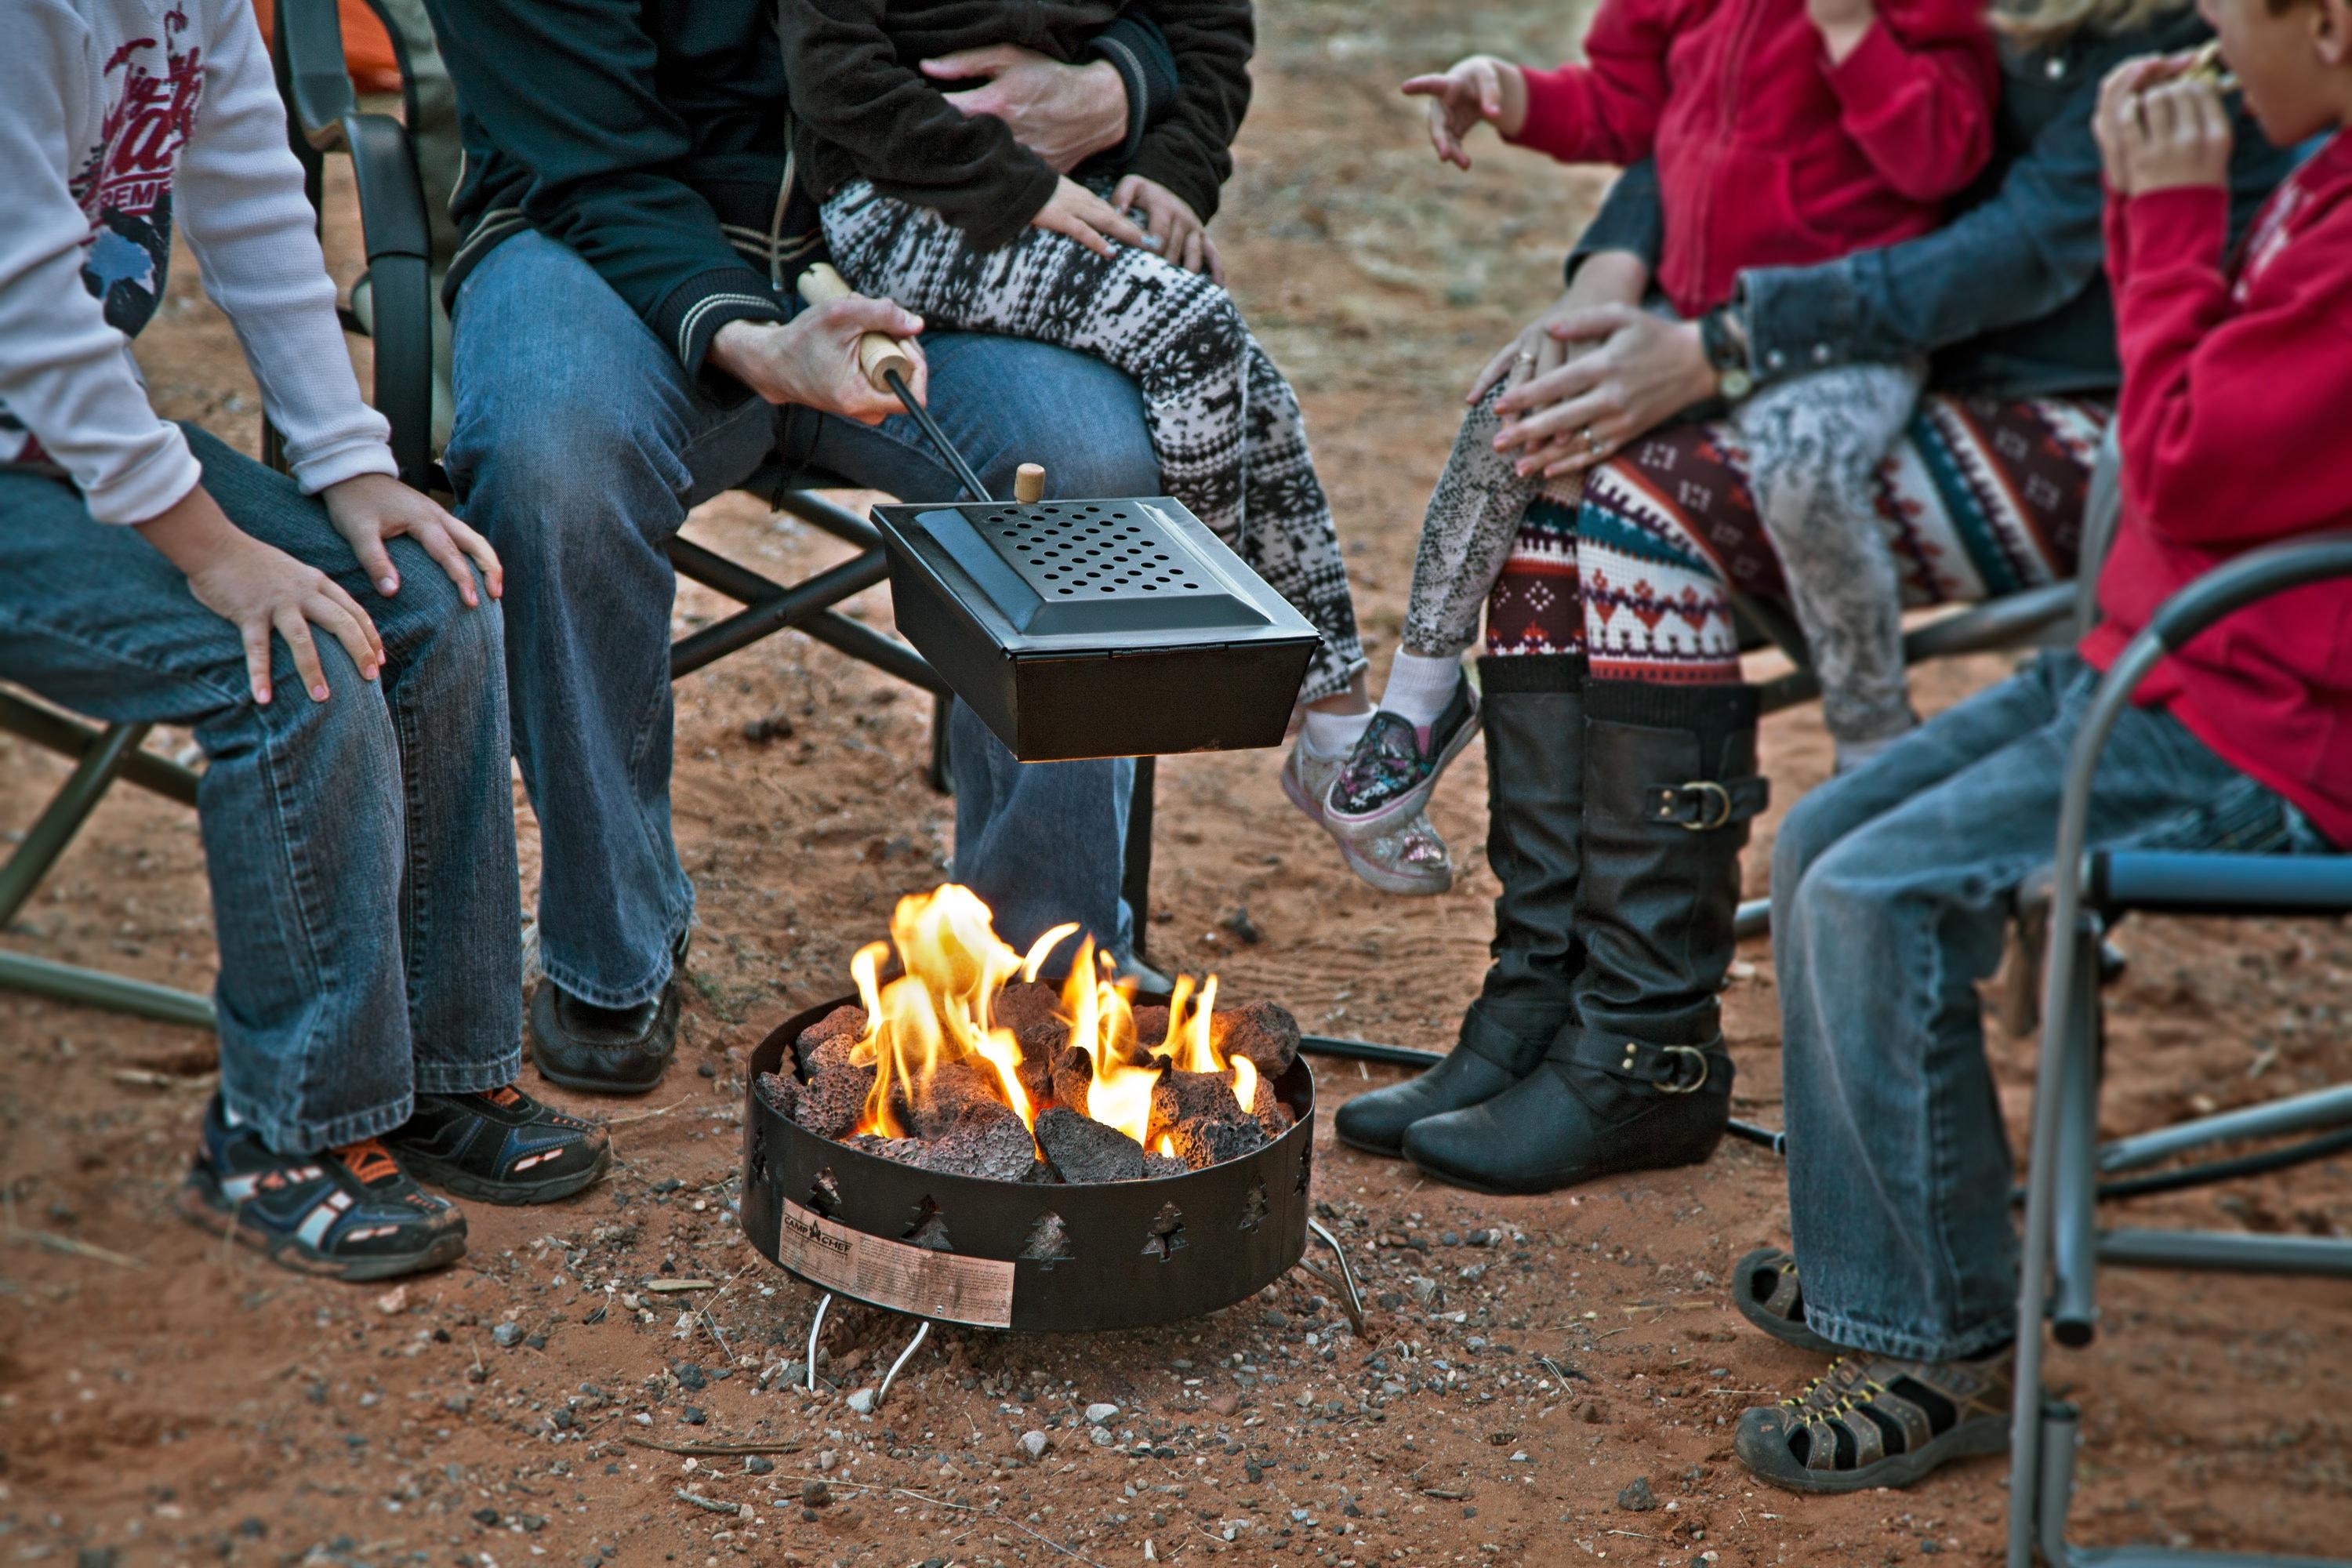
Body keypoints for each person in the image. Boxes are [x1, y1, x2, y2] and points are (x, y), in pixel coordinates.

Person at [1332, 0, 2298, 1195]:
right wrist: (1609, 286)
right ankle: (1541, 994)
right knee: (1546, 493)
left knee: (1649, 511)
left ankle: (1646, 1042)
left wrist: (1724, 347)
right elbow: (1686, 101)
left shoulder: (2173, 39)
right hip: (1890, 364)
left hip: (2072, 409)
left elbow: (2008, 250)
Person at [412, 1, 1379, 1096]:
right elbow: (588, 164)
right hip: (601, 232)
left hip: (933, 228)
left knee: (1089, 462)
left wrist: (1127, 83)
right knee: (554, 466)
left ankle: (1038, 970)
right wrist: (752, 334)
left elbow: (1186, 19)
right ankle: (611, 947)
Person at [1735, 13, 2352, 1490]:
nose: (2203, 38)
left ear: (2326, 28)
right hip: (2159, 671)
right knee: (1825, 844)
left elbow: (2192, 458)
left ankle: (1949, 1344)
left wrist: (2163, 220)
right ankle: (1874, 1271)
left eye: (2231, 18)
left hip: (2264, 733)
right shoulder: (2323, 171)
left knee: (1876, 896)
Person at [2, 0, 608, 1281]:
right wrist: (215, 553)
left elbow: (253, 203)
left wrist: (348, 466)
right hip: (32, 440)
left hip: (57, 443)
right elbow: (28, 312)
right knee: (289, 654)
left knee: (428, 597)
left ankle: (436, 1075)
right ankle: (282, 1130)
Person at [773, 0, 1438, 891]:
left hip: (1073, 186)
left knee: (1254, 386)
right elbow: (835, 76)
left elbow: (1207, 28)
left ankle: (1332, 723)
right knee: (1195, 331)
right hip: (902, 199)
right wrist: (1020, 185)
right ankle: (1200, 654)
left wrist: (1172, 167)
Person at [1319, 0, 1999, 870]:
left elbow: (1944, 158)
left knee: (1804, 469)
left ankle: (1870, 734)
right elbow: (1624, 109)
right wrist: (1511, 94)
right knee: (1516, 409)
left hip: (1837, 333)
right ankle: (1420, 698)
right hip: (1686, 308)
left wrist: (1850, 34)